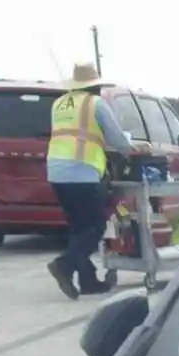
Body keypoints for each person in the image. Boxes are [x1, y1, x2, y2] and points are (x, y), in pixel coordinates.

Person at [45, 64, 136, 299]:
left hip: (57, 172)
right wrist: (133, 148)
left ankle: (88, 280)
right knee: (95, 226)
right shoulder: (95, 104)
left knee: (78, 228)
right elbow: (116, 138)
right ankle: (64, 264)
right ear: (94, 85)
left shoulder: (60, 104)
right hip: (82, 170)